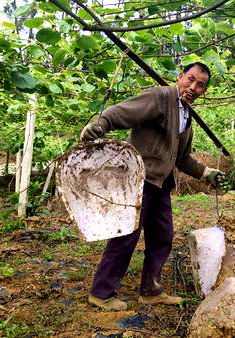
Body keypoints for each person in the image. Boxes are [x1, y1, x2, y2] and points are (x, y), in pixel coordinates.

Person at [80, 62, 225, 311]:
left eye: (200, 85)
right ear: (180, 77)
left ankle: (150, 289)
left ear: (204, 91)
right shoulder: (160, 97)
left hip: (160, 184)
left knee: (162, 237)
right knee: (126, 236)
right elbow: (123, 112)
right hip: (138, 181)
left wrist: (207, 173)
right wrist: (101, 125)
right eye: (190, 79)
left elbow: (182, 158)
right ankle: (101, 293)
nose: (193, 87)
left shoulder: (186, 115)